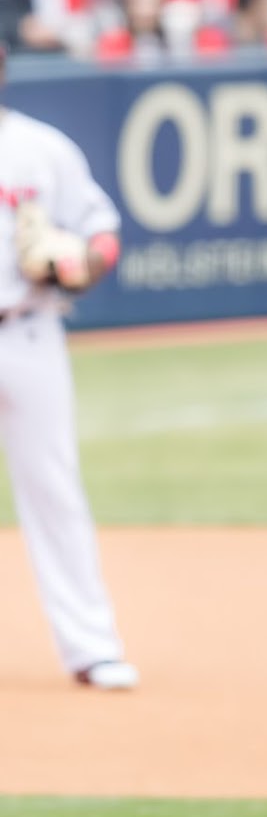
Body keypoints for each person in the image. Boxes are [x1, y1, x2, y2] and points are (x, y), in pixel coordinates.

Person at [0, 43, 138, 690]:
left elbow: (100, 227)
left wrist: (83, 261)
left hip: (28, 330)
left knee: (54, 486)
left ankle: (91, 645)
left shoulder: (41, 147)